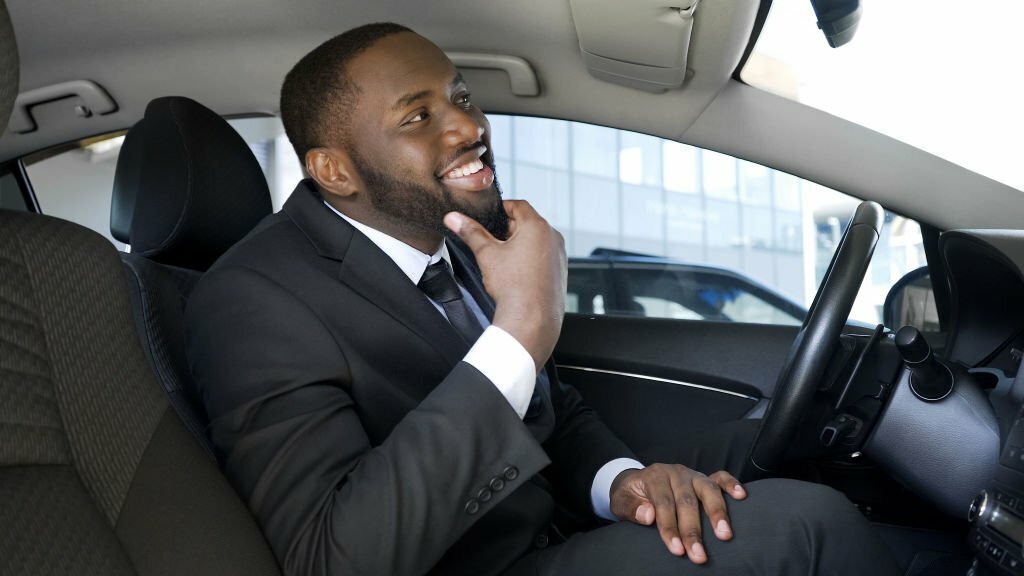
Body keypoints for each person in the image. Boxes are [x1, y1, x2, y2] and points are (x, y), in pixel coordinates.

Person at [184, 22, 901, 576]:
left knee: (782, 441)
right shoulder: (251, 301)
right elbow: (331, 558)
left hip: (550, 521)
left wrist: (622, 484)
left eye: (460, 97)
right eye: (417, 116)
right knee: (809, 524)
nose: (469, 127)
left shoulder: (458, 241)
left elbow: (551, 417)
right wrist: (524, 325)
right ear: (335, 170)